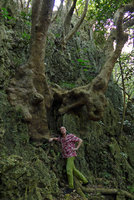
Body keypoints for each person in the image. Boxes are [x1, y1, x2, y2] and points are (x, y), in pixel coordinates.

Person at [49, 126, 89, 194]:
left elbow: (80, 140)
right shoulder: (61, 138)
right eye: (61, 129)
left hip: (71, 155)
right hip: (66, 156)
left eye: (63, 129)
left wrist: (76, 148)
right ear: (60, 131)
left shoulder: (70, 136)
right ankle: (85, 181)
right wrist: (52, 138)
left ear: (66, 129)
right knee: (74, 170)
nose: (62, 130)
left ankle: (71, 187)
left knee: (68, 170)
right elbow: (57, 139)